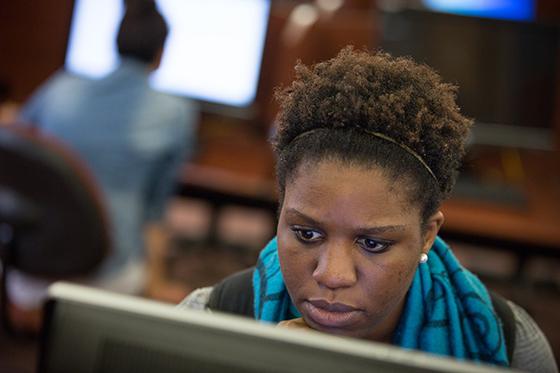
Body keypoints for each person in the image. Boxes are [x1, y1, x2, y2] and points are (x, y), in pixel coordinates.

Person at [179, 47, 558, 372]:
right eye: (307, 234)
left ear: (428, 234)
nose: (332, 275)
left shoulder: (509, 346)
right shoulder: (212, 320)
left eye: (373, 243)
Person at [10, 0, 197, 324]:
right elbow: (155, 215)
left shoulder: (60, 88)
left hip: (27, 276)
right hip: (108, 285)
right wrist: (156, 284)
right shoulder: (175, 113)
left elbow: (15, 143)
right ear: (160, 53)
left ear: (114, 41)